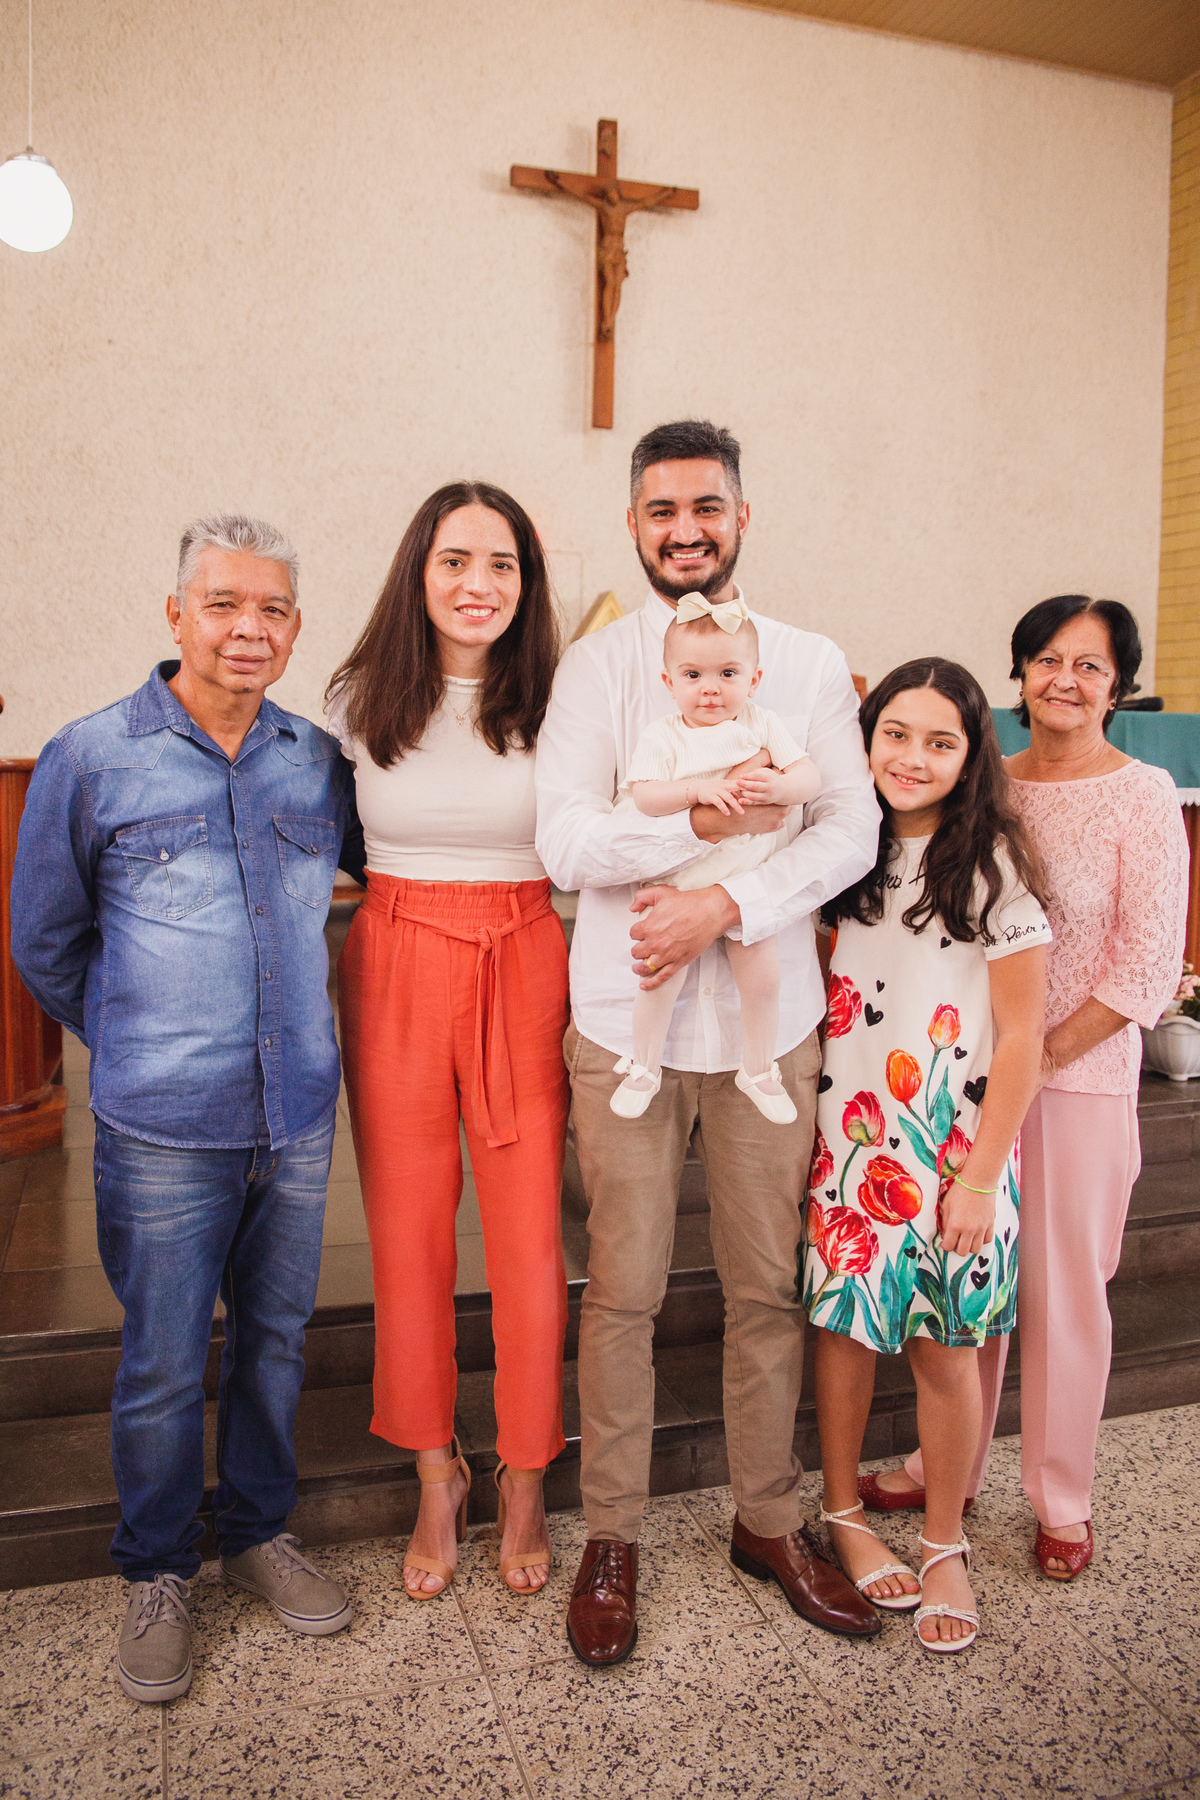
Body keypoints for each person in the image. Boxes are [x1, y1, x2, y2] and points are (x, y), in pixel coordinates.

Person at [536, 419, 883, 1666]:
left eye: (708, 507)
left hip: (767, 1027)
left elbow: (847, 831)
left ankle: (770, 1520)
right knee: (620, 1293)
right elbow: (569, 842)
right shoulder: (598, 670)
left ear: (744, 517)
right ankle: (612, 1535)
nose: (685, 529)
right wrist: (693, 845)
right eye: (662, 510)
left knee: (764, 1289)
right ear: (635, 526)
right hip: (621, 1019)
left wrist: (726, 905)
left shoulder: (807, 658)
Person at [11, 516, 356, 1704]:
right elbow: (45, 941)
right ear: (175, 614)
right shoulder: (92, 756)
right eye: (222, 605)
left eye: (270, 611)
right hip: (163, 1128)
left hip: (298, 1117)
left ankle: (258, 1531)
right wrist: (141, 1037)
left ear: (295, 629)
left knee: (274, 1343)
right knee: (162, 1362)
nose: (247, 629)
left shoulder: (316, 760)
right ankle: (157, 1567)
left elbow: (358, 899)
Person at [866, 597, 1188, 1581]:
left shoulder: (1144, 792)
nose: (1066, 680)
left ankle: (1060, 1495)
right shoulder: (988, 781)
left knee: (1062, 1294)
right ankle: (948, 1470)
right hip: (971, 1080)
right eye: (1048, 659)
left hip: (1080, 1080)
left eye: (1090, 666)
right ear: (1020, 674)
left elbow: (1146, 970)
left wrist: (1038, 1056)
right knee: (973, 1282)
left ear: (1119, 685)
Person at [327, 482, 569, 1600]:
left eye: (503, 565)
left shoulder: (563, 700)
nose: (480, 585)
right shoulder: (357, 698)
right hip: (397, 958)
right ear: (418, 572)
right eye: (456, 561)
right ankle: (437, 1466)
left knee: (526, 1238)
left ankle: (524, 1469)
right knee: (408, 1231)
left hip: (524, 951)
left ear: (528, 583)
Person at [800, 660, 1050, 1652]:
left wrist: (983, 1176)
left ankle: (944, 1539)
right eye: (894, 734)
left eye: (939, 741)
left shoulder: (991, 862)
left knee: (948, 1350)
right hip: (851, 1142)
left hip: (957, 1152)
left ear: (971, 754)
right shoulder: (842, 851)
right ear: (865, 739)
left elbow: (1024, 1036)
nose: (912, 757)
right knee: (847, 1336)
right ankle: (846, 1516)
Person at [612, 598, 822, 1123]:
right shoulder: (665, 735)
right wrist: (697, 791)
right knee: (660, 977)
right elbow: (645, 797)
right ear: (669, 681)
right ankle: (644, 1065)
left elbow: (809, 777)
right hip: (679, 885)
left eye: (728, 673)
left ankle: (758, 1067)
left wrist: (782, 783)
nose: (711, 687)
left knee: (764, 981)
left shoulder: (762, 722)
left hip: (748, 888)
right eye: (694, 674)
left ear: (753, 679)